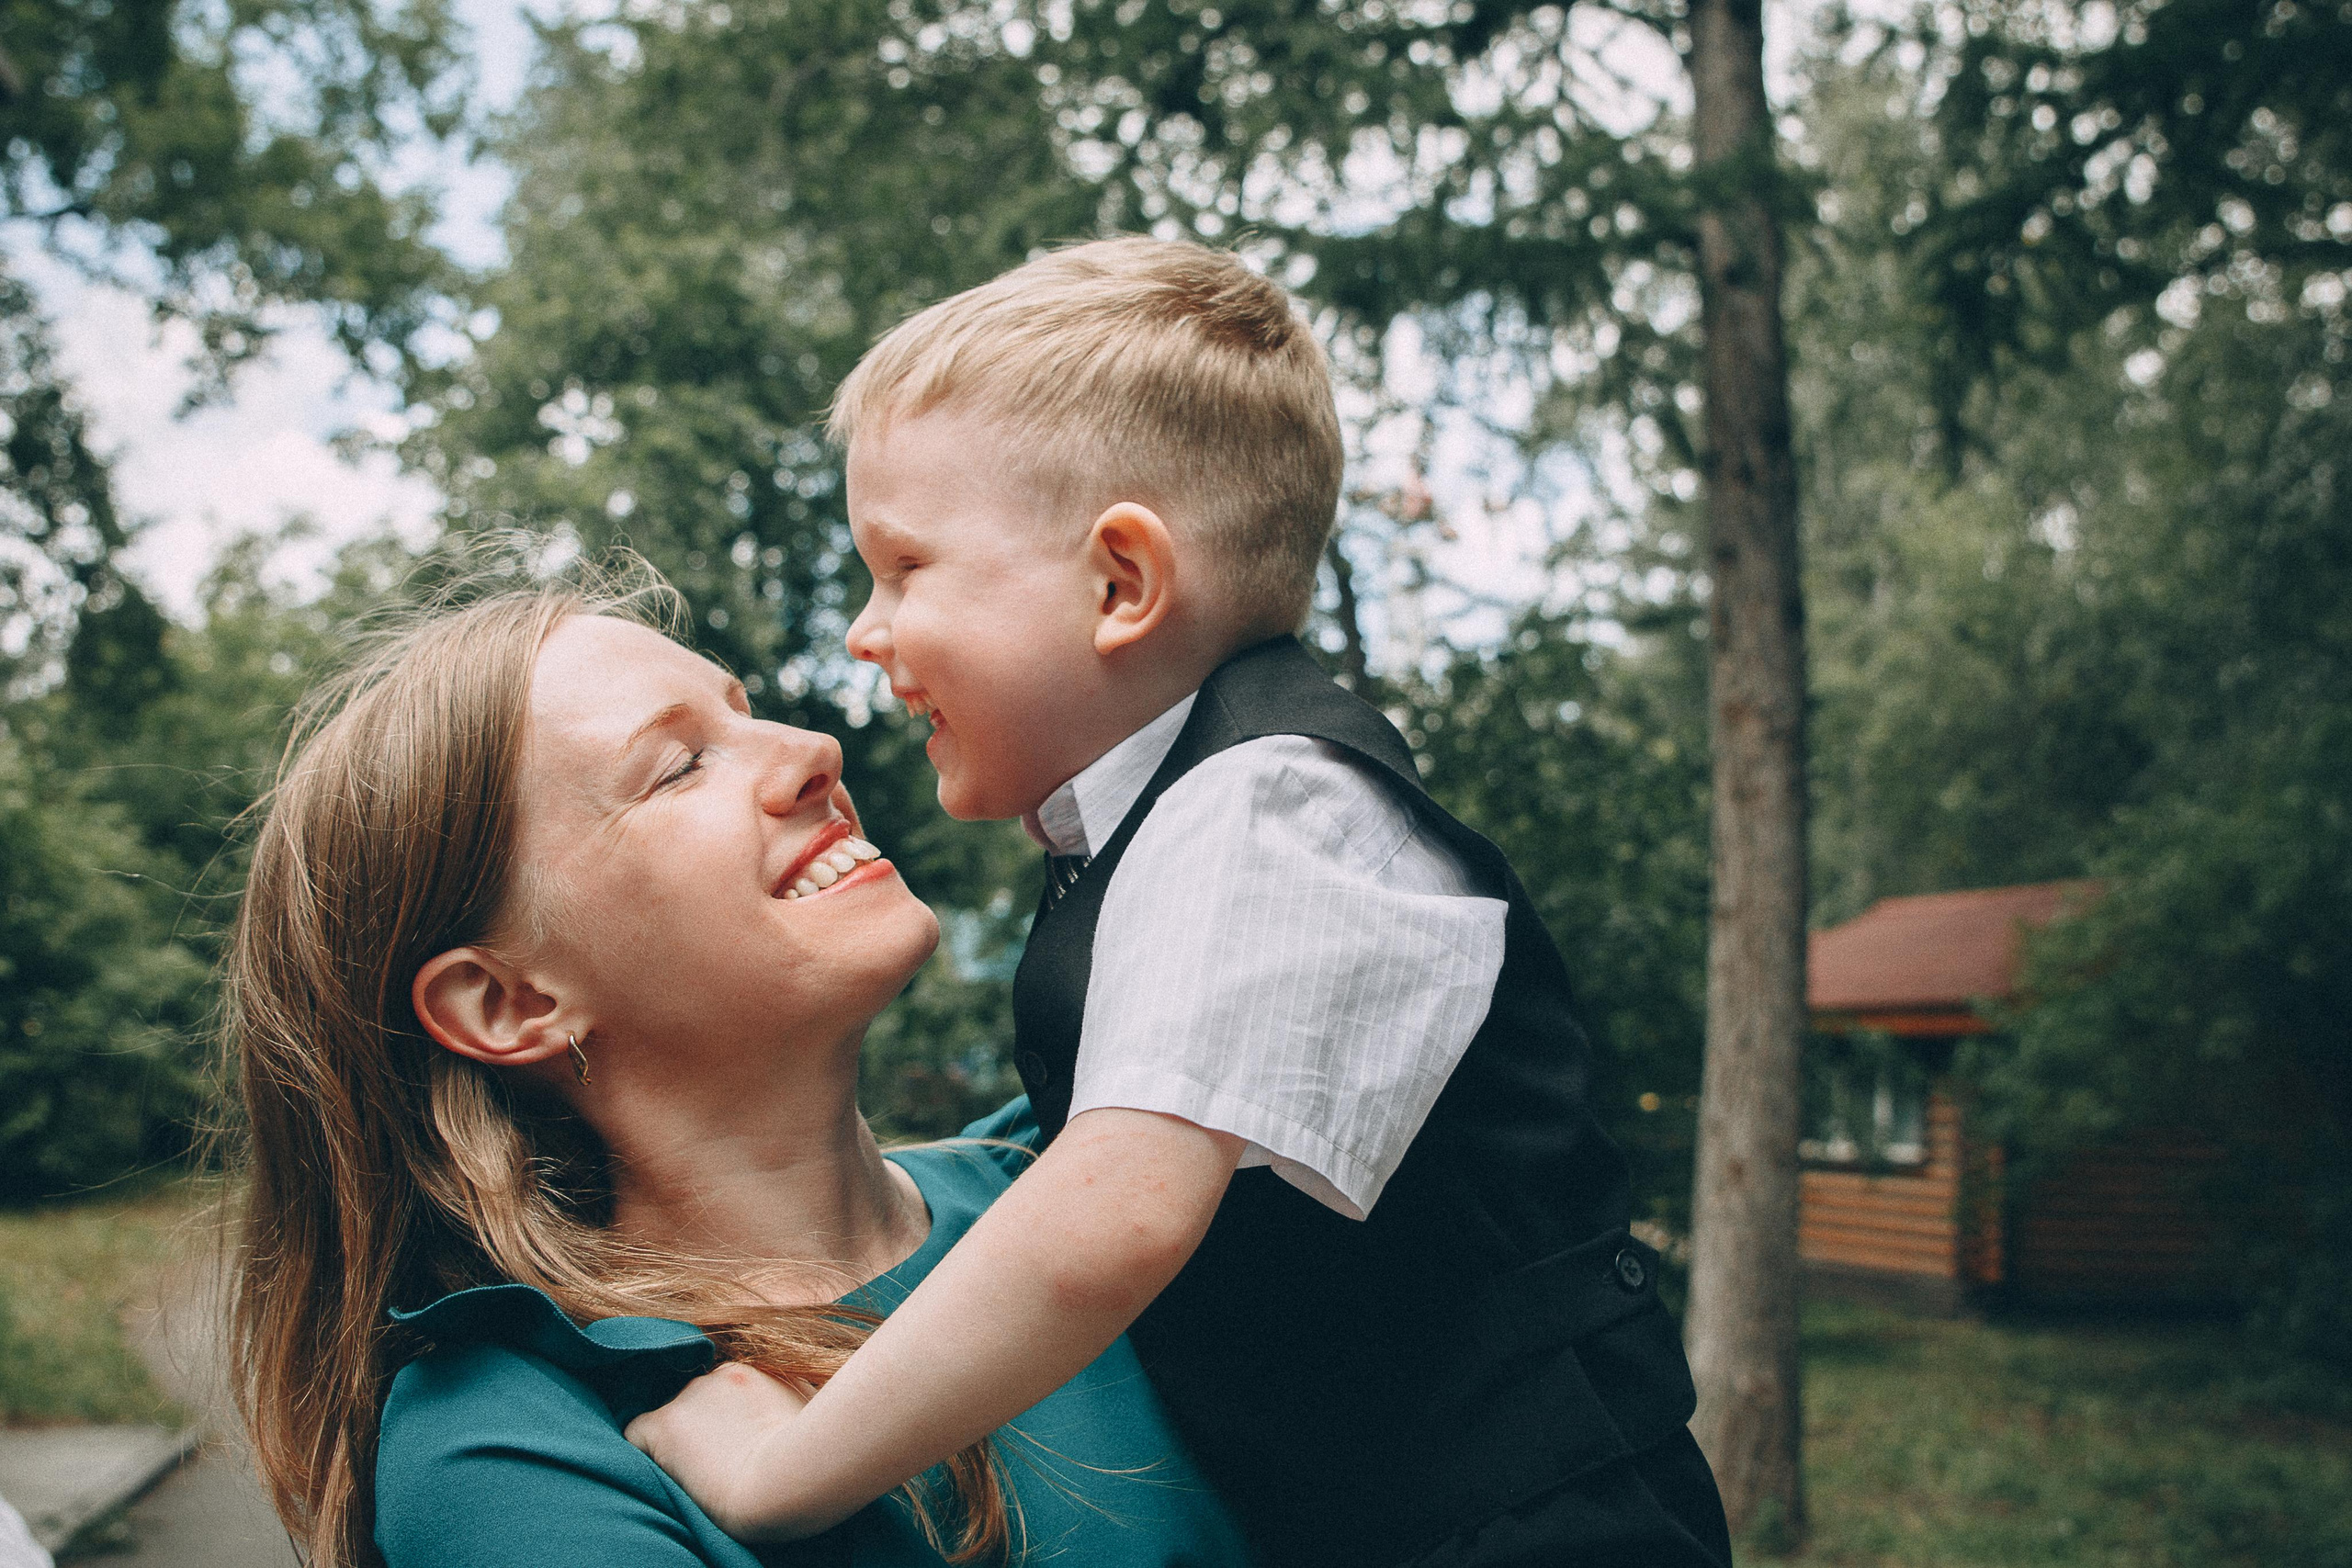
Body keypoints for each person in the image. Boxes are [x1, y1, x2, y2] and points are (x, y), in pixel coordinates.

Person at [625, 239, 1733, 1568]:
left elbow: (1115, 1213)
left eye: (904, 567)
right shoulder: (1174, 827)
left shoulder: (1268, 808)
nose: (866, 629)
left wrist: (783, 1468)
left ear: (1121, 584)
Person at [223, 565, 1252, 1568]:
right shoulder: (514, 1447)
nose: (814, 748)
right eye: (677, 766)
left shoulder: (1098, 1177)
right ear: (509, 1003)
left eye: (744, 712)